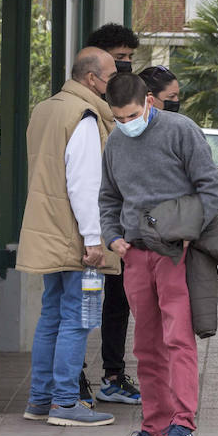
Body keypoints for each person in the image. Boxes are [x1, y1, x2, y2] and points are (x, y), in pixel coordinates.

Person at [101, 72, 218, 436]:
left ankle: (183, 427)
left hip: (177, 251)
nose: (125, 124)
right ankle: (153, 429)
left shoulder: (181, 130)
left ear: (149, 102)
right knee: (146, 345)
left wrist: (190, 230)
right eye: (118, 118)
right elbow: (108, 196)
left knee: (178, 339)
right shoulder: (115, 142)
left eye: (131, 115)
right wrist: (112, 237)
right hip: (135, 253)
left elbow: (211, 186)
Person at [15, 47, 119, 428]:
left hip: (49, 231)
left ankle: (40, 399)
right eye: (110, 76)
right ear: (91, 79)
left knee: (52, 315)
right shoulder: (85, 116)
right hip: (77, 238)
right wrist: (95, 240)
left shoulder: (46, 109)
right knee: (80, 317)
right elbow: (86, 184)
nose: (113, 83)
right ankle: (64, 402)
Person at [85, 23, 143, 407]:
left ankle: (112, 374)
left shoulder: (119, 101)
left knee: (117, 304)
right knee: (83, 305)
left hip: (115, 224)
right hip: (93, 225)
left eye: (129, 59)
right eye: (118, 59)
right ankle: (74, 380)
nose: (125, 66)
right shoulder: (88, 111)